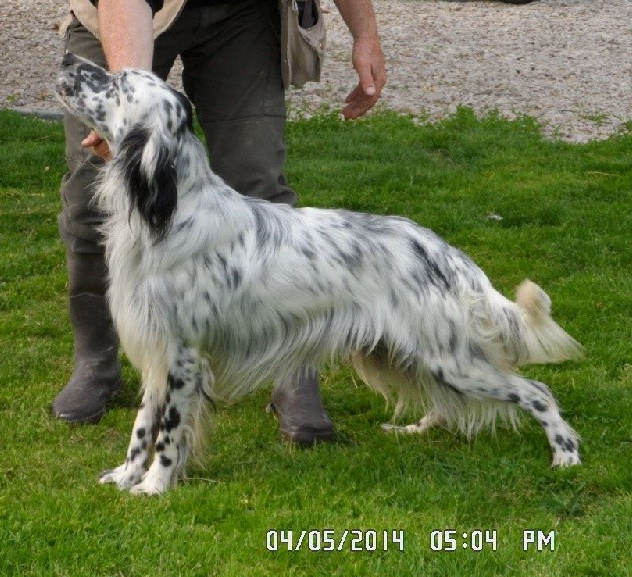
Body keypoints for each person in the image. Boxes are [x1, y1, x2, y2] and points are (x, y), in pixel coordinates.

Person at [52, 0, 386, 445]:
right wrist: (122, 112)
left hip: (242, 11)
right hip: (125, 11)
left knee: (258, 182)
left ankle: (292, 369)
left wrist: (365, 33)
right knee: (89, 200)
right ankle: (95, 360)